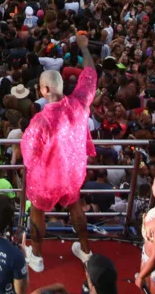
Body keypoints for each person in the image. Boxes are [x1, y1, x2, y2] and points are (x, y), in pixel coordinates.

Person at [20, 47, 97, 273]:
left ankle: (37, 256)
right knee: (76, 207)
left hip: (47, 178)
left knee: (37, 212)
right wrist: (84, 45)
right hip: (73, 174)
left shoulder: (41, 121)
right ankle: (85, 250)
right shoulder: (80, 103)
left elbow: (29, 153)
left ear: (44, 90)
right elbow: (91, 73)